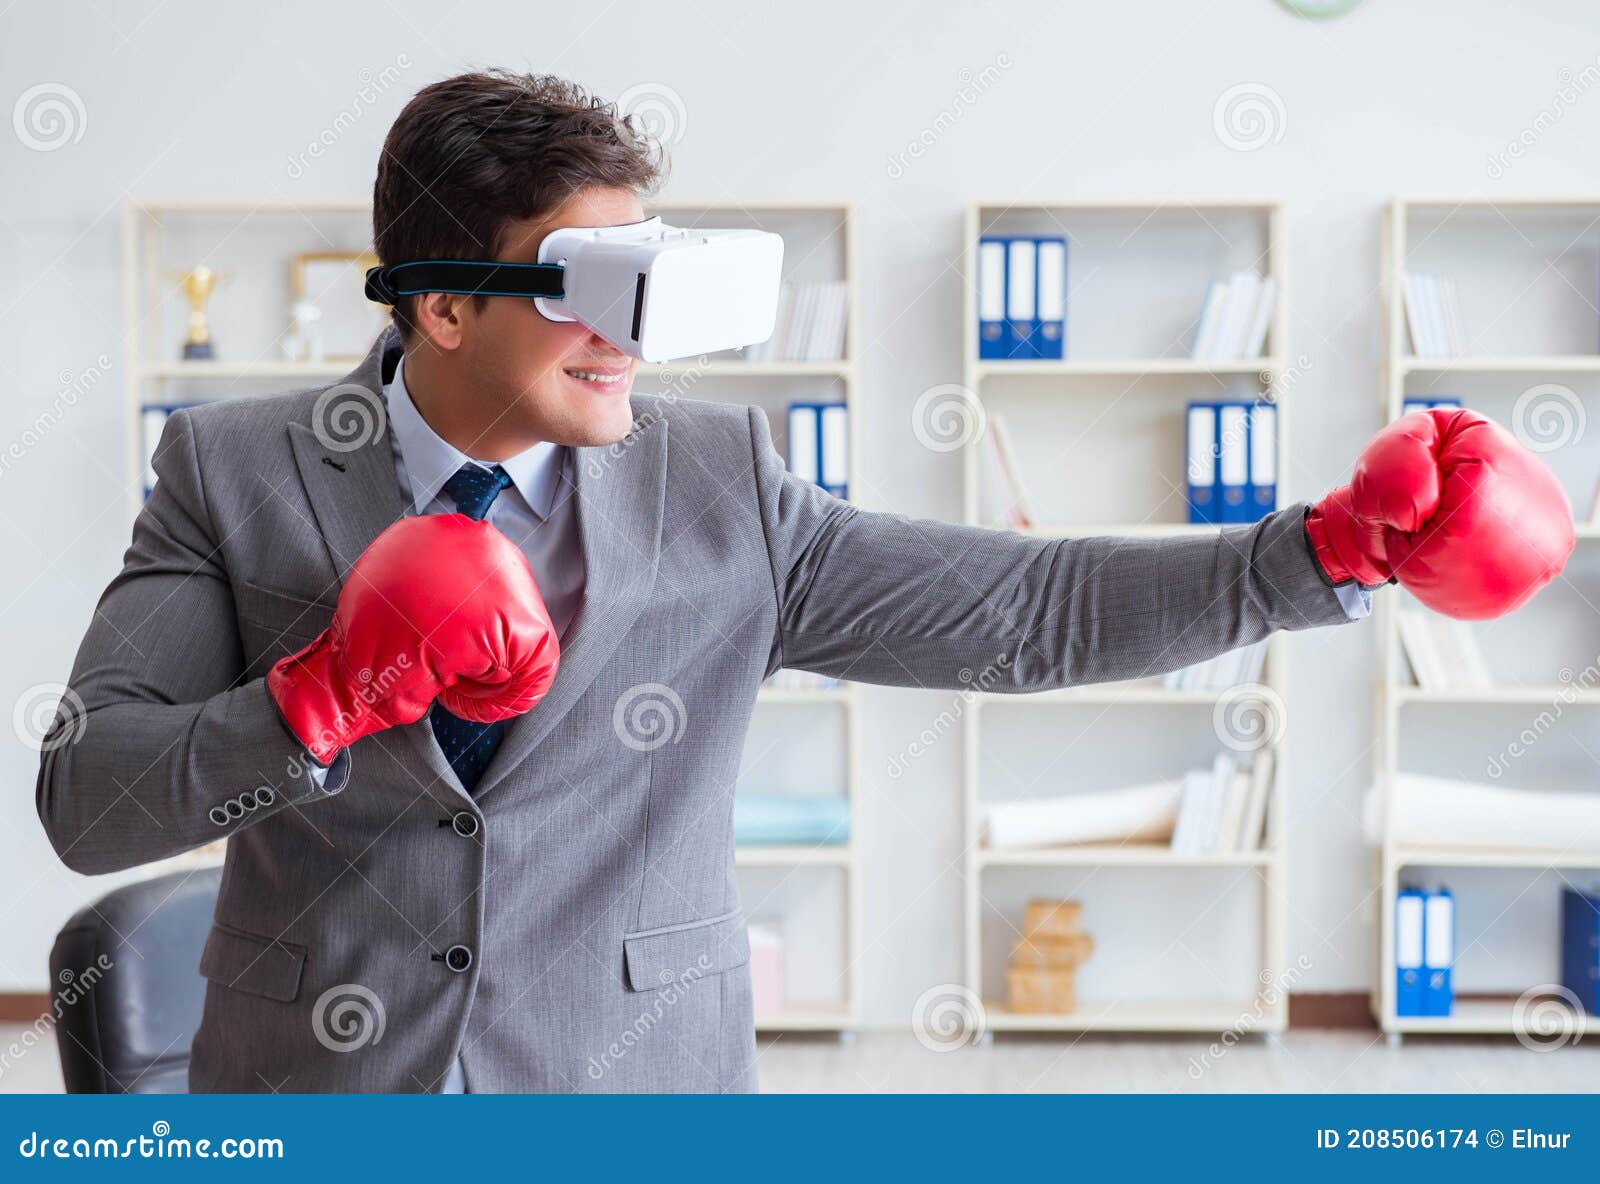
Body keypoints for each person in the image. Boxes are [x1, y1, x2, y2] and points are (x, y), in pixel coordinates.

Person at [36, 70, 1573, 1093]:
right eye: (595, 288)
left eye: (658, 277)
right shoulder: (234, 471)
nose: (634, 335)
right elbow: (89, 800)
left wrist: (1316, 554)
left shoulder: (723, 486)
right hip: (322, 1098)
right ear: (446, 302)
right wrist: (320, 694)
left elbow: (1019, 616)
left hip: (640, 1096)